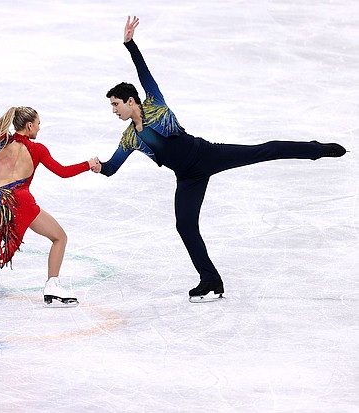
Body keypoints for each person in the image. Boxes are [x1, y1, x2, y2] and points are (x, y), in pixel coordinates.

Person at [95, 16, 347, 302]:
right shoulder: (130, 138)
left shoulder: (153, 102)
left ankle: (316, 150)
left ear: (130, 101)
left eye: (115, 104)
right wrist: (97, 167)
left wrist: (130, 44)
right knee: (185, 226)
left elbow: (143, 71)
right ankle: (211, 280)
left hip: (206, 154)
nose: (114, 110)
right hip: (188, 177)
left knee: (263, 150)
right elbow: (111, 168)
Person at [0, 73, 101, 314]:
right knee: (59, 238)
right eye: (38, 123)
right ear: (29, 125)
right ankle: (53, 284)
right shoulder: (37, 149)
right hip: (22, 201)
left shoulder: (1, 141)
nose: (39, 127)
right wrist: (88, 164)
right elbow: (63, 172)